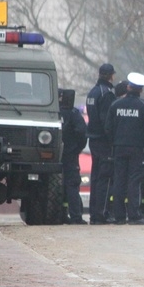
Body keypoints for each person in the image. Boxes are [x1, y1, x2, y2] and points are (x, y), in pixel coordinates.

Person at [105, 72, 144, 225]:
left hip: (119, 148)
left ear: (128, 87)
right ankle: (134, 215)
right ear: (140, 90)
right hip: (137, 149)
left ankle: (119, 216)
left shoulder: (115, 105)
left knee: (119, 180)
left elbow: (108, 128)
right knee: (134, 181)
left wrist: (115, 143)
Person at [86, 63, 117, 225]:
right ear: (111, 75)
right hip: (104, 142)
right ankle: (101, 213)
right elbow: (107, 122)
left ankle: (94, 213)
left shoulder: (93, 92)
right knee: (104, 178)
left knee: (96, 177)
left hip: (93, 140)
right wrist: (112, 140)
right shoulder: (107, 94)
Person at [58, 88, 87, 225]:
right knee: (72, 184)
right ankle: (76, 216)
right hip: (70, 154)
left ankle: (60, 215)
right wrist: (77, 148)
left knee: (59, 185)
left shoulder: (52, 113)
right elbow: (82, 132)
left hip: (53, 155)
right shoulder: (74, 114)